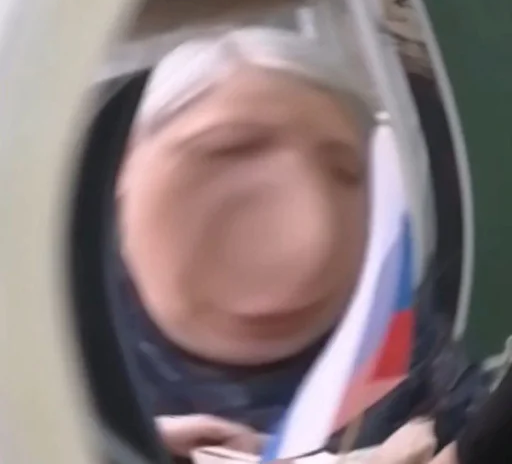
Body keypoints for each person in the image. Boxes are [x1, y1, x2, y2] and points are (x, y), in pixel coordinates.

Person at [113, 27, 488, 459]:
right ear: (121, 175)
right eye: (227, 151)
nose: (311, 242)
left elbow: (466, 410)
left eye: (345, 173)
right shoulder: (64, 352)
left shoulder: (391, 335)